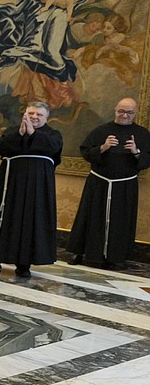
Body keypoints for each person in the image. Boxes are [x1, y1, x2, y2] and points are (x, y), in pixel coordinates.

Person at [0, 102, 63, 277]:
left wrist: (32, 134)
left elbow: (53, 148)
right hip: (10, 184)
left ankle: (24, 264)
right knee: (2, 217)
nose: (34, 117)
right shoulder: (12, 130)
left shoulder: (53, 134)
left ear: (47, 118)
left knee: (31, 221)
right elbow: (1, 147)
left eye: (39, 115)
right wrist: (20, 134)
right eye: (31, 113)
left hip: (37, 188)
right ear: (24, 114)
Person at [68, 98, 150, 269]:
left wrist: (136, 151)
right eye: (121, 111)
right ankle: (82, 252)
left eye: (129, 112)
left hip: (125, 185)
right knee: (90, 218)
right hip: (99, 182)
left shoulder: (142, 134)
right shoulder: (101, 130)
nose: (124, 115)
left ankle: (116, 257)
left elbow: (146, 161)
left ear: (135, 113)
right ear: (115, 110)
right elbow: (86, 152)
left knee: (121, 221)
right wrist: (103, 147)